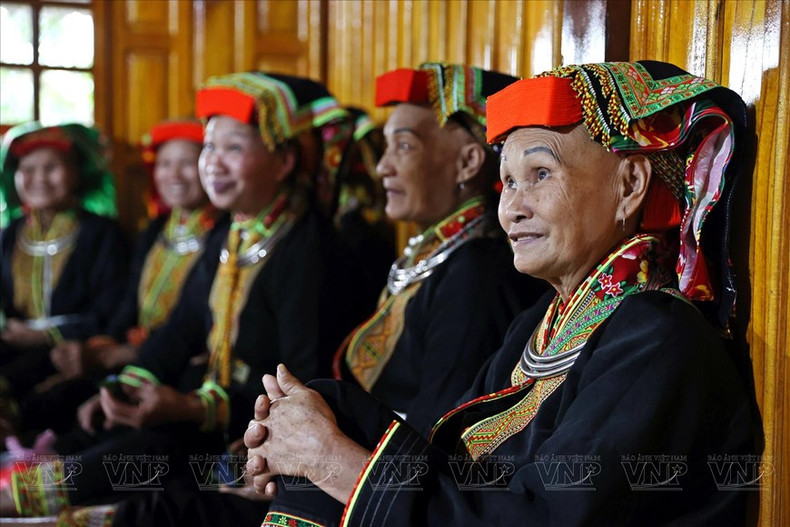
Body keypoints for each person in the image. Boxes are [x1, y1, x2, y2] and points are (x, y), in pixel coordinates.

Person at [244, 60, 763, 526]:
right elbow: (449, 458)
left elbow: (544, 516)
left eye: (540, 174)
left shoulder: (660, 339)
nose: (512, 208)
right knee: (329, 405)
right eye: (509, 182)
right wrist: (304, 431)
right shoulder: (542, 322)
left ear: (628, 185)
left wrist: (333, 460)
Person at [2, 72, 374, 522]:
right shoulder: (231, 234)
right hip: (212, 420)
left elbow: (304, 380)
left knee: (142, 468)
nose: (213, 163)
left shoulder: (310, 250)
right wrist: (126, 386)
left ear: (283, 161)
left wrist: (195, 406)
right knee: (97, 434)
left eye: (233, 148)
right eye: (210, 147)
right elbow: (182, 328)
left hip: (258, 440)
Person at [333, 63, 548, 435]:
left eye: (404, 146)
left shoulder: (476, 273)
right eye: (386, 146)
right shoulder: (435, 255)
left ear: (467, 162)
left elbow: (435, 428)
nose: (383, 167)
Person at [15, 119, 228, 437]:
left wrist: (117, 354)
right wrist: (102, 349)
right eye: (165, 164)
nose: (174, 175)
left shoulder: (223, 235)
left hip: (182, 360)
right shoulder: (156, 230)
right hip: (138, 351)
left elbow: (194, 324)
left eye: (186, 163)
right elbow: (128, 304)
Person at [0, 122, 128, 437]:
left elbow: (111, 313)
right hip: (13, 348)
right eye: (28, 169)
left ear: (76, 173)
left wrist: (46, 336)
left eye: (51, 168)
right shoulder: (10, 234)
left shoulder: (103, 235)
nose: (39, 178)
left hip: (75, 354)